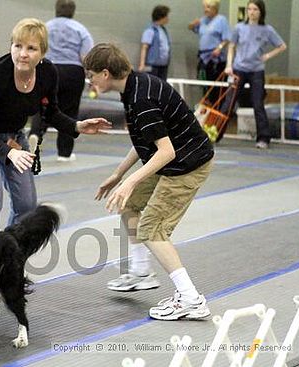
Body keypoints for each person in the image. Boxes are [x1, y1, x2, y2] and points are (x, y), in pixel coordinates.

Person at [84, 43, 214, 320]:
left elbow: (167, 151)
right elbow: (146, 140)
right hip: (172, 158)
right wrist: (119, 175)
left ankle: (190, 298)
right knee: (129, 203)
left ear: (105, 73)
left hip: (187, 165)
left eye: (91, 75)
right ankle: (141, 272)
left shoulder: (141, 99)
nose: (90, 81)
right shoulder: (133, 87)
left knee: (152, 228)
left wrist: (130, 181)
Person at [0, 18, 110, 231]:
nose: (23, 54)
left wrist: (77, 126)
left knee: (27, 205)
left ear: (43, 52)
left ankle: (9, 253)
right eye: (17, 46)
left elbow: (51, 113)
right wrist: (11, 153)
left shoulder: (48, 73)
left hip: (12, 135)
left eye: (31, 48)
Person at [224, 0, 286, 149]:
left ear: (261, 12)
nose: (251, 12)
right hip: (239, 68)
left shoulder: (268, 30)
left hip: (256, 70)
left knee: (258, 103)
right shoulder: (239, 28)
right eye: (249, 9)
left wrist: (267, 56)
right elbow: (231, 46)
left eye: (255, 9)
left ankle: (263, 138)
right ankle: (213, 133)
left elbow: (282, 46)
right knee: (229, 101)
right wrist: (229, 65)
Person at [45, 0, 94, 162]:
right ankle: (64, 153)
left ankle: (34, 137)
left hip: (49, 69)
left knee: (44, 107)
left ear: (56, 10)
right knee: (69, 111)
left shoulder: (45, 27)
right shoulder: (80, 29)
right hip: (73, 72)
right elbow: (86, 57)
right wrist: (91, 77)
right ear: (73, 11)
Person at [188, 0, 231, 105]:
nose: (205, 10)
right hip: (204, 58)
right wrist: (193, 24)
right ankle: (208, 107)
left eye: (208, 7)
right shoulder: (203, 20)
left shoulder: (221, 20)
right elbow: (191, 28)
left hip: (216, 59)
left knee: (216, 87)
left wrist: (219, 48)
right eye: (204, 7)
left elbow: (227, 38)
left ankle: (218, 108)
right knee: (205, 86)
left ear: (214, 8)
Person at [139, 5, 171, 81]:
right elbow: (144, 47)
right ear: (161, 17)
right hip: (153, 66)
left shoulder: (163, 30)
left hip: (163, 66)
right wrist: (142, 64)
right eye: (166, 16)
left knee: (162, 86)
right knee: (153, 85)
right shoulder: (150, 30)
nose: (168, 18)